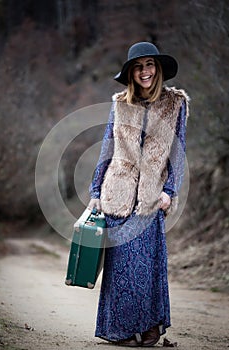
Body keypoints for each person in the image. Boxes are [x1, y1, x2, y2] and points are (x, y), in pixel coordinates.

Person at [88, 41, 189, 347]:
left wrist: (169, 191)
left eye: (150, 65)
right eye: (138, 66)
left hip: (152, 196)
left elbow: (179, 152)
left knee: (147, 264)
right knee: (120, 267)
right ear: (131, 73)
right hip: (118, 193)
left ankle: (150, 327)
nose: (145, 72)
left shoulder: (175, 104)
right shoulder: (120, 103)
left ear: (157, 69)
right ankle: (119, 331)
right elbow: (107, 146)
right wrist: (95, 190)